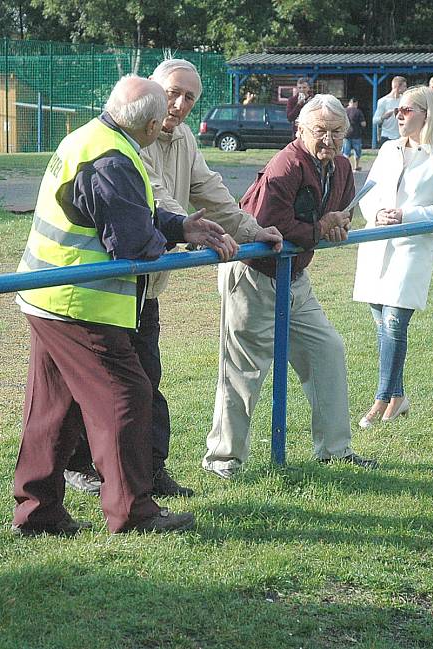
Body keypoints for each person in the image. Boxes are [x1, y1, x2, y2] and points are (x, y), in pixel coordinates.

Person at [12, 75, 239, 536]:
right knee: (126, 397)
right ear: (153, 125)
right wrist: (168, 240)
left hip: (44, 296)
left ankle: (37, 514)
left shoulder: (91, 137)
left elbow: (126, 210)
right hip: (80, 303)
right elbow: (133, 243)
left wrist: (180, 228)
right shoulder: (114, 158)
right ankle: (132, 511)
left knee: (52, 407)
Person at [62, 59, 283, 498]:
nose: (178, 105)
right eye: (171, 94)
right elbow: (157, 199)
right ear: (147, 92)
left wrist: (250, 229)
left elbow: (210, 191)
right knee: (94, 385)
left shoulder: (182, 138)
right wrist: (190, 229)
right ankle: (81, 468)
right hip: (98, 286)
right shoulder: (123, 140)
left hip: (144, 288)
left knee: (147, 379)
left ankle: (149, 469)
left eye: (189, 98)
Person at [202, 94, 379, 478]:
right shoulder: (285, 164)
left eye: (336, 132)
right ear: (300, 130)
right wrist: (321, 228)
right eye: (319, 131)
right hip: (253, 274)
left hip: (295, 279)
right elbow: (265, 226)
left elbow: (337, 214)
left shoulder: (343, 167)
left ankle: (334, 450)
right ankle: (223, 459)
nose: (328, 140)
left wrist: (337, 226)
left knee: (327, 350)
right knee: (244, 369)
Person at [353, 86, 433, 427]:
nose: (397, 115)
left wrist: (406, 215)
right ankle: (398, 397)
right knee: (381, 323)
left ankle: (381, 399)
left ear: (425, 115)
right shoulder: (387, 149)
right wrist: (377, 214)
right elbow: (367, 194)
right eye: (397, 111)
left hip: (411, 249)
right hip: (376, 244)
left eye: (405, 110)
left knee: (394, 323)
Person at [373, 76, 407, 146]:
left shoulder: (404, 100)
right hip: (386, 137)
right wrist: (383, 117)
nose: (406, 89)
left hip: (400, 137)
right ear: (397, 86)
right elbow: (375, 120)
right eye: (404, 86)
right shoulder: (383, 101)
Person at [342, 97, 366, 172]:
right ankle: (356, 166)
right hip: (356, 134)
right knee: (357, 151)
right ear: (356, 103)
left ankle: (345, 167)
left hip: (346, 135)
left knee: (346, 152)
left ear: (349, 103)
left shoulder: (344, 111)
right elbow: (363, 124)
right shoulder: (358, 112)